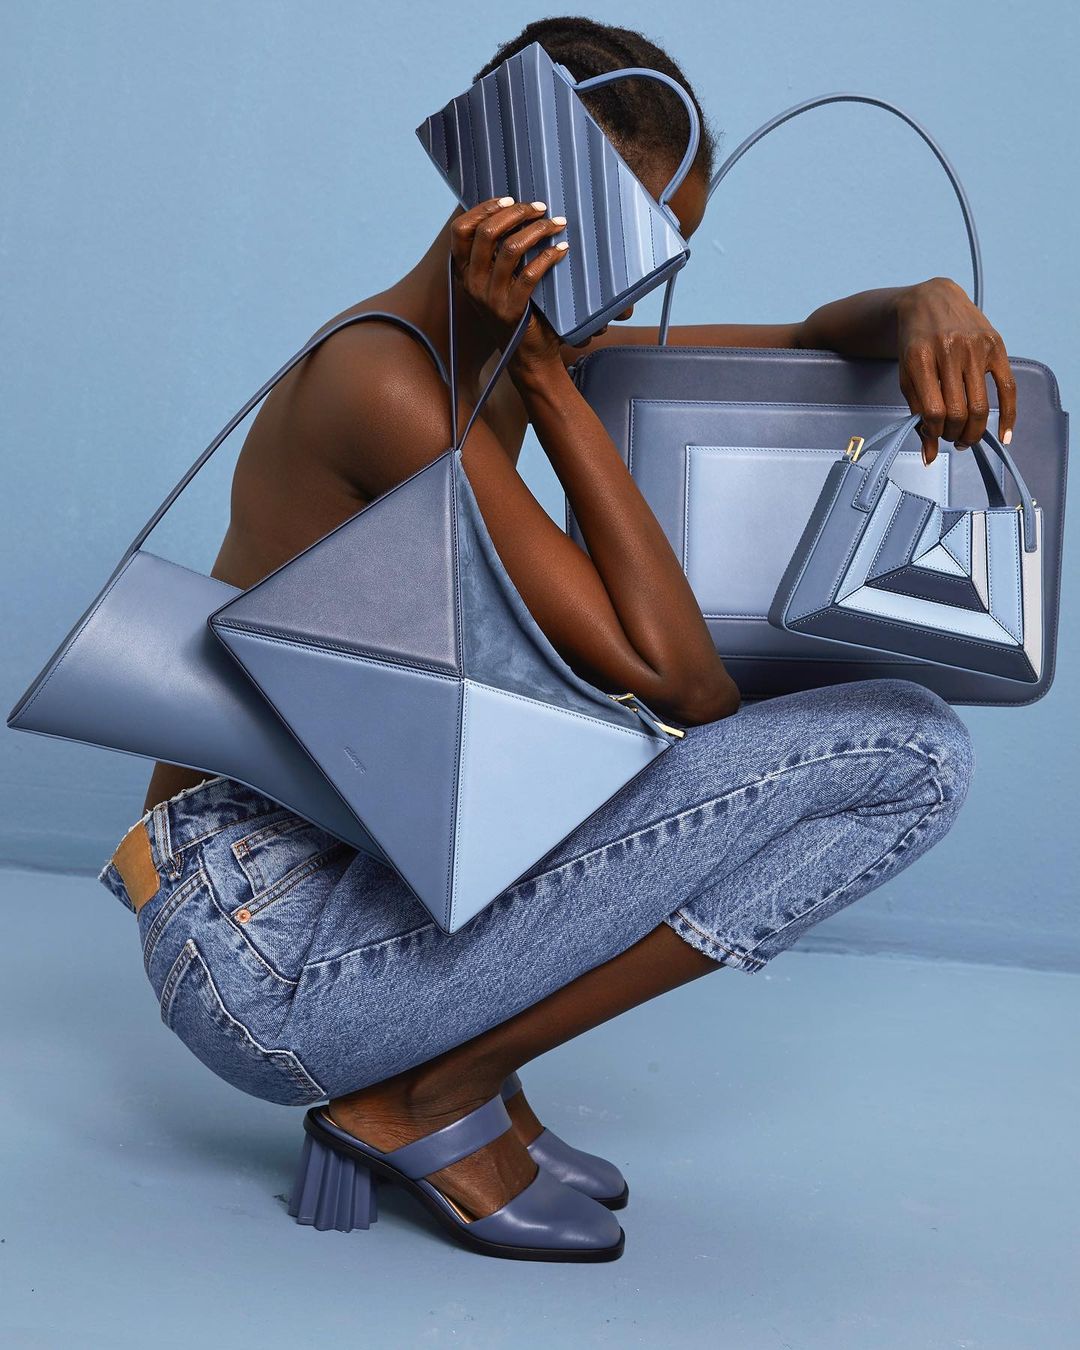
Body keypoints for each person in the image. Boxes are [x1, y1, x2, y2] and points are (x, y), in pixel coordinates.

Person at [100, 17, 1002, 1262]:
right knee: (910, 755)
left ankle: (453, 1080)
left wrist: (922, 306)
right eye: (626, 236)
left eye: (667, 242)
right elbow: (681, 685)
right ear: (514, 205)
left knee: (819, 731)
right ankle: (427, 1092)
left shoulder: (506, 356)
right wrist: (555, 383)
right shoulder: (390, 384)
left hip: (341, 883)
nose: (642, 279)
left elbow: (804, 346)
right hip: (261, 947)